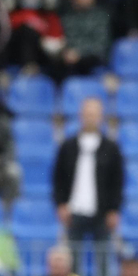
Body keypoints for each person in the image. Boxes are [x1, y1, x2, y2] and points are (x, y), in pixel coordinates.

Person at [54, 97, 124, 246]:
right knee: (73, 261)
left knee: (103, 259)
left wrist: (114, 209)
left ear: (101, 117)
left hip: (102, 212)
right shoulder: (68, 146)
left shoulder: (111, 148)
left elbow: (117, 181)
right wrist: (61, 203)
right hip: (73, 211)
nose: (91, 118)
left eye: (94, 114)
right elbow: (58, 178)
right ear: (81, 115)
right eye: (87, 114)